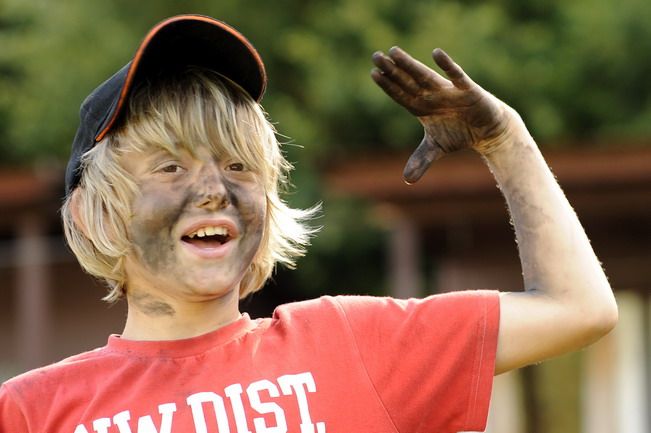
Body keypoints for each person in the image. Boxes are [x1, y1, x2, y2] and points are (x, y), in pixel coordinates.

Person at [0, 14, 617, 433]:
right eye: (169, 167)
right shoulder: (31, 412)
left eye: (238, 166)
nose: (213, 191)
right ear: (91, 213)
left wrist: (505, 141)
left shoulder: (354, 345)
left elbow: (578, 309)